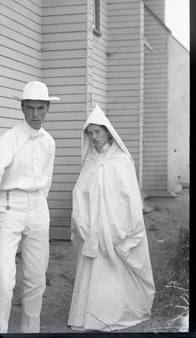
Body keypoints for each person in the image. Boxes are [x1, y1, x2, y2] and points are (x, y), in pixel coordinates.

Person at [0, 81, 59, 333]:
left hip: (38, 207)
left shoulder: (48, 141)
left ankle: (29, 330)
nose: (35, 114)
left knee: (36, 277)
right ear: (22, 108)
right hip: (10, 206)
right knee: (4, 278)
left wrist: (38, 205)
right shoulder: (9, 138)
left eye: (41, 108)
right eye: (31, 108)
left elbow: (47, 179)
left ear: (47, 109)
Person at [67, 105, 155, 331]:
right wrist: (84, 223)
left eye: (97, 132)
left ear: (107, 131)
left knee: (116, 274)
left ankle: (116, 312)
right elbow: (80, 193)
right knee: (94, 271)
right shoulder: (91, 161)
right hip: (94, 230)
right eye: (90, 133)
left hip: (117, 229)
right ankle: (92, 316)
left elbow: (131, 198)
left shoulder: (122, 160)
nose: (93, 137)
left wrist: (120, 229)